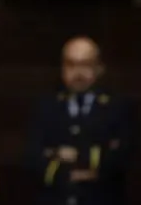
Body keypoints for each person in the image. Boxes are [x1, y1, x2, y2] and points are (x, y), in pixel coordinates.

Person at [25, 36, 133, 205]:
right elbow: (32, 157)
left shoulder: (116, 107)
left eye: (85, 65)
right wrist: (73, 172)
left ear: (99, 68)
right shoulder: (46, 106)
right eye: (71, 64)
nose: (78, 73)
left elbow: (120, 158)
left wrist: (63, 155)